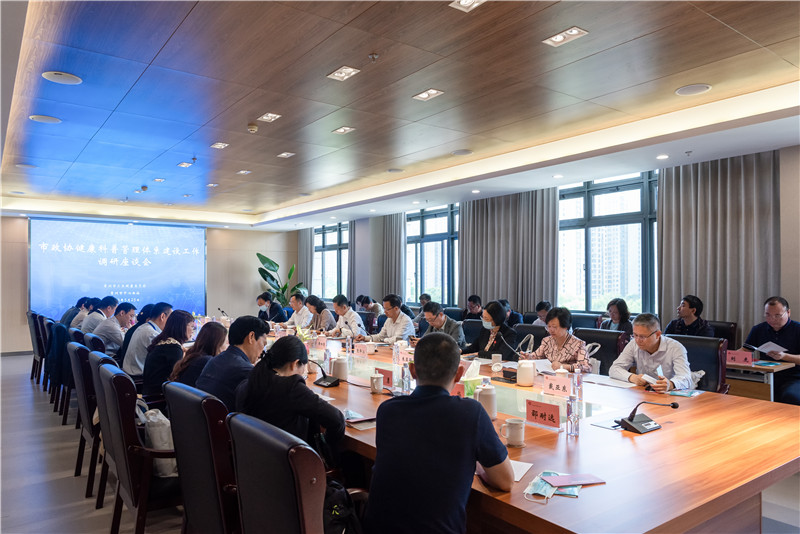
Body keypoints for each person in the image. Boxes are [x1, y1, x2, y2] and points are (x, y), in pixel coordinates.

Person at [363, 333, 513, 534]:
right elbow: (505, 481)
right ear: (459, 374)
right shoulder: (471, 413)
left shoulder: (387, 411)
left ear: (412, 370)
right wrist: (479, 468)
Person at [235, 335, 345, 449]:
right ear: (295, 364)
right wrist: (326, 445)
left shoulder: (247, 384)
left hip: (254, 456)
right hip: (288, 458)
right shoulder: (292, 388)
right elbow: (337, 420)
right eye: (302, 370)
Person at [196, 316, 269, 410]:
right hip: (224, 418)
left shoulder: (214, 360)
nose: (262, 350)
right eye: (263, 344)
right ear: (251, 337)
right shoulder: (246, 371)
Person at [609, 313, 692, 392]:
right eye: (635, 335)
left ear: (658, 334)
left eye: (642, 337)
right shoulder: (633, 343)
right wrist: (632, 377)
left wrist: (671, 384)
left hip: (669, 394)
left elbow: (686, 378)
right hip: (643, 393)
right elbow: (614, 369)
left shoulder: (676, 348)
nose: (638, 340)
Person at [743, 296, 800, 405]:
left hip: (793, 377)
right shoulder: (758, 329)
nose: (772, 319)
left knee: (791, 396)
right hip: (765, 375)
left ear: (788, 313)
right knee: (742, 391)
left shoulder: (797, 329)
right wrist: (727, 354)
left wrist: (784, 356)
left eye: (777, 315)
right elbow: (746, 350)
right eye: (768, 315)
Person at [142, 310, 195, 396]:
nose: (193, 330)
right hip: (159, 397)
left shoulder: (165, 342)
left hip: (151, 392)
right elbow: (177, 378)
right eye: (191, 326)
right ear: (182, 327)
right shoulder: (173, 348)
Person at [520, 307, 590, 372]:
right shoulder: (547, 341)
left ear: (566, 326)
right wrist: (529, 357)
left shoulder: (578, 344)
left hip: (568, 378)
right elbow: (536, 356)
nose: (551, 330)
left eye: (554, 327)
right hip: (548, 377)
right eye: (549, 326)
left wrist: (564, 367)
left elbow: (586, 367)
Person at [171, 321, 228, 388]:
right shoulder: (207, 361)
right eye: (226, 342)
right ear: (218, 343)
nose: (228, 346)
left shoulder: (194, 356)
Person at [123, 302, 173, 377]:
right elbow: (165, 358)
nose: (171, 322)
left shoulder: (144, 327)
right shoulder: (151, 334)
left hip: (130, 372)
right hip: (139, 377)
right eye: (171, 318)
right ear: (162, 316)